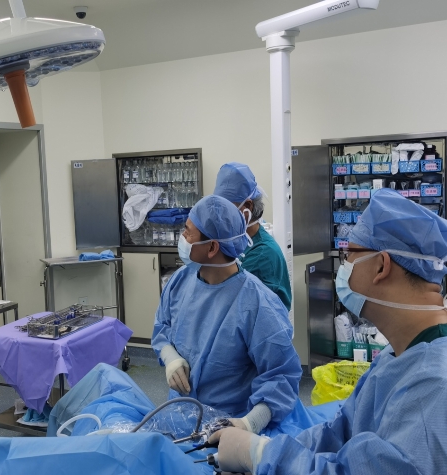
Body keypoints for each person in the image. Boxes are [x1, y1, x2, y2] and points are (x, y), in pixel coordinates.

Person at [209, 188, 447, 475]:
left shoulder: (434, 384)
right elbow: (341, 432)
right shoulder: (398, 354)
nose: (343, 266)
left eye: (349, 255)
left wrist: (259, 455)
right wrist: (269, 450)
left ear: (381, 266)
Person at [152, 195, 301, 435]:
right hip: (177, 416)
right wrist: (170, 357)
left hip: (228, 429)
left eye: (188, 232)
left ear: (212, 247)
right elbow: (162, 326)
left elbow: (282, 376)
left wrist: (248, 424)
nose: (182, 237)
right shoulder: (181, 280)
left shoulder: (257, 304)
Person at [214, 162, 292, 311]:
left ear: (248, 207)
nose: (220, 214)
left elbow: (232, 303)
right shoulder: (235, 241)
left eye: (226, 207)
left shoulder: (263, 254)